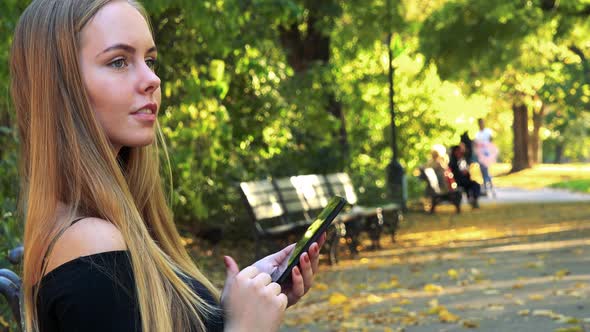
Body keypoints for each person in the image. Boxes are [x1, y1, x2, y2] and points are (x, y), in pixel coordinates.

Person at [10, 1, 324, 331]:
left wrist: (231, 311)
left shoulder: (108, 225)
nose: (152, 79)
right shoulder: (90, 243)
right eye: (119, 61)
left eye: (149, 60)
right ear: (61, 87)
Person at [474, 119, 497, 196]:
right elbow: (476, 144)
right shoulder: (477, 134)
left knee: (486, 172)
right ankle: (488, 189)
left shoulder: (487, 132)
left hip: (487, 155)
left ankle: (490, 189)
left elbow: (491, 141)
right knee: (483, 172)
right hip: (481, 155)